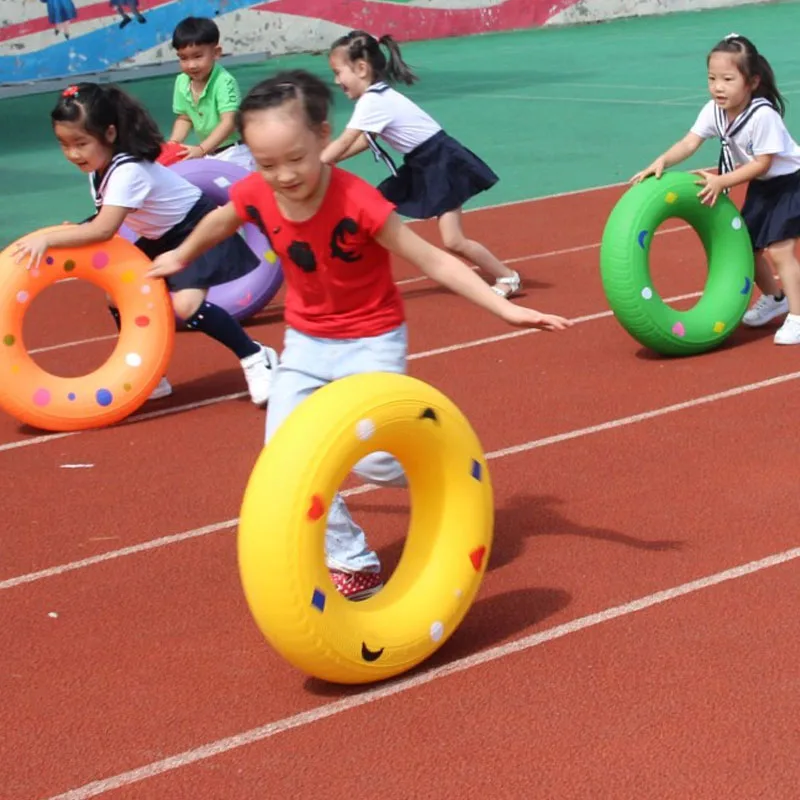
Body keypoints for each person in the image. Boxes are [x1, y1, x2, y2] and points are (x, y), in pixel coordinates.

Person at [147, 69, 572, 600]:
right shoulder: (259, 188)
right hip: (304, 344)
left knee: (372, 458)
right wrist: (182, 254)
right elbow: (225, 217)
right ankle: (353, 559)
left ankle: (442, 478)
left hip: (371, 340)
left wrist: (504, 310)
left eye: (295, 159)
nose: (282, 176)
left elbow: (432, 259)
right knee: (286, 457)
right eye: (266, 163)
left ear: (324, 137)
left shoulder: (357, 201)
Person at [12, 82, 276, 404]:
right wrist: (78, 227)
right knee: (115, 297)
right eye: (64, 145)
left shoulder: (128, 170)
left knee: (186, 306)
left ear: (109, 134)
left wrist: (50, 238)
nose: (73, 154)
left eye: (80, 143)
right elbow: (103, 217)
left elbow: (104, 230)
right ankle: (152, 374)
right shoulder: (98, 169)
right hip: (161, 237)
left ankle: (255, 355)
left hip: (196, 228)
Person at [320, 30, 523, 300]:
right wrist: (326, 162)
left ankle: (506, 276)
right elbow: (365, 141)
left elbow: (346, 140)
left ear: (360, 68)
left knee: (453, 241)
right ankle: (358, 278)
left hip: (440, 162)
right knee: (372, 208)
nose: (336, 81)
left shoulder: (373, 101)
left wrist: (317, 163)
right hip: (425, 162)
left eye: (338, 72)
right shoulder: (378, 97)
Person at [631, 33, 800, 345]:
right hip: (763, 188)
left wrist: (721, 180)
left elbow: (762, 163)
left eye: (727, 79)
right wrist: (663, 161)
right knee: (747, 248)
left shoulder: (763, 115)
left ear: (751, 81)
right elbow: (690, 142)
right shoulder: (714, 111)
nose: (718, 87)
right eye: (711, 78)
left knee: (780, 250)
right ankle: (777, 299)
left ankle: (798, 317)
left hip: (791, 183)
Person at [167, 16, 256, 172]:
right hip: (208, 154)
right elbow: (184, 117)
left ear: (216, 53)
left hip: (234, 153)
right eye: (183, 58)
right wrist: (173, 144)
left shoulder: (224, 81)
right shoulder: (181, 81)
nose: (191, 65)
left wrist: (201, 149)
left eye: (197, 56)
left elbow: (229, 122)